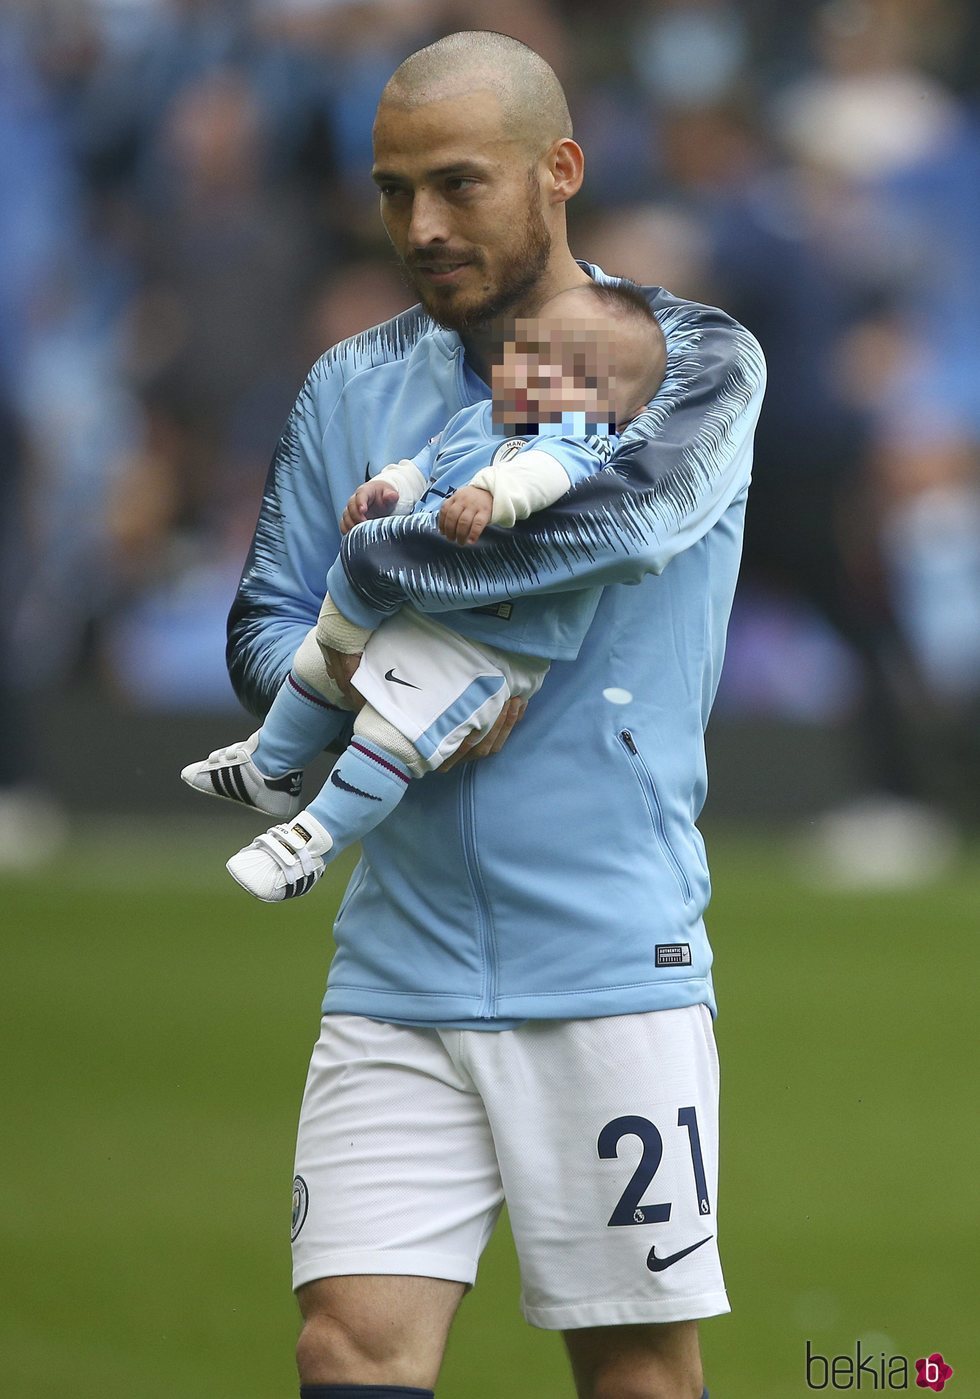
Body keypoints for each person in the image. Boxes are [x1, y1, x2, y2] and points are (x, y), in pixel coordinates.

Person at [226, 29, 765, 1399]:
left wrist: (379, 589)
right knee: (346, 1344)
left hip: (608, 957)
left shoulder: (691, 360)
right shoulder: (349, 385)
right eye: (394, 189)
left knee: (634, 1366)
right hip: (395, 963)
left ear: (561, 170)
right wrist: (369, 679)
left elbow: (606, 526)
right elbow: (262, 631)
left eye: (459, 184)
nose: (420, 223)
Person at [182, 281, 667, 901]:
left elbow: (545, 478)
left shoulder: (582, 446)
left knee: (396, 730)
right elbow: (426, 461)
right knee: (317, 663)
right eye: (528, 349)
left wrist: (494, 495)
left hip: (489, 641)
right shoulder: (482, 419)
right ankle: (269, 767)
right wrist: (387, 488)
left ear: (605, 402)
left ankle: (312, 841)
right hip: (423, 610)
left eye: (557, 362)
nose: (526, 368)